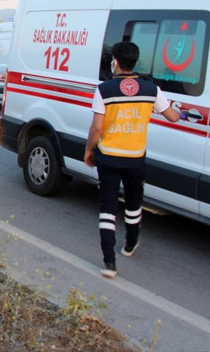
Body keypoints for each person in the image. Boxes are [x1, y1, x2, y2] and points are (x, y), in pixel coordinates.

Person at [84, 41, 184, 279]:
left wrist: (89, 149)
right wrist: (182, 112)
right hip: (135, 158)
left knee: (107, 208)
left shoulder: (104, 89)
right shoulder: (151, 89)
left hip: (108, 157)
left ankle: (109, 263)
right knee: (133, 202)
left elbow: (97, 127)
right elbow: (173, 117)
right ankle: (130, 243)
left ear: (115, 62)